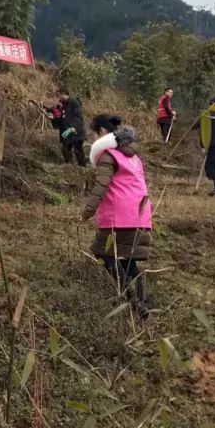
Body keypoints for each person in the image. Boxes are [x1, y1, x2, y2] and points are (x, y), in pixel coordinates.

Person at [82, 115, 153, 321]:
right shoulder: (134, 157)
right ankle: (141, 302)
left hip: (119, 215)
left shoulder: (108, 155)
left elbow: (101, 185)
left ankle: (132, 301)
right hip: (140, 214)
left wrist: (87, 210)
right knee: (128, 258)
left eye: (94, 133)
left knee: (104, 253)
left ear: (103, 132)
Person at [55, 89, 87, 166]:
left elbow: (78, 117)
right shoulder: (63, 104)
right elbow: (60, 115)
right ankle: (69, 166)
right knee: (65, 149)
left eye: (59, 95)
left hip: (76, 132)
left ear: (64, 94)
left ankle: (82, 168)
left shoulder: (74, 103)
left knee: (78, 151)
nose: (58, 97)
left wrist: (74, 127)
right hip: (67, 131)